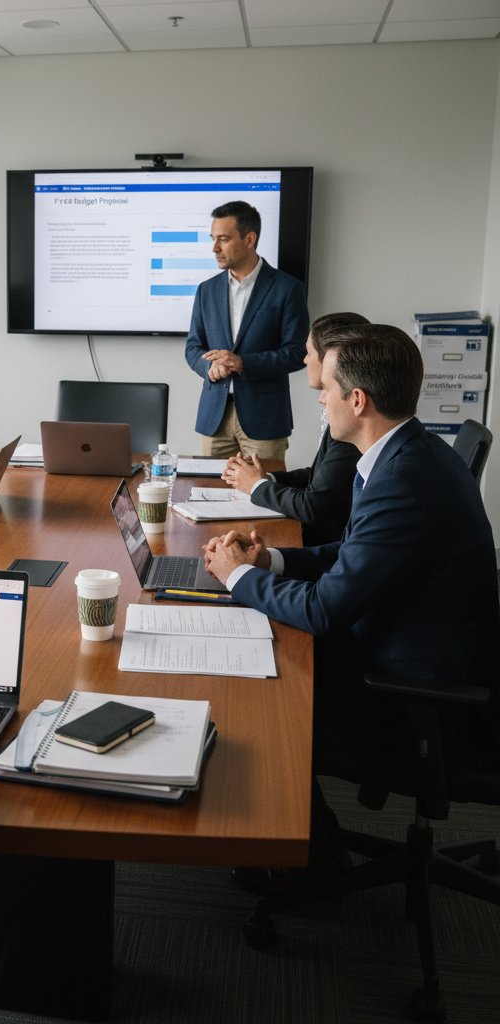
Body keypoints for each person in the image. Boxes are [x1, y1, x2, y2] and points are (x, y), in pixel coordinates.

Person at [204, 326, 498, 863]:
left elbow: (323, 610)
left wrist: (236, 577)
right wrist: (270, 561)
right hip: (409, 649)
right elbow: (351, 551)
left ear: (357, 400)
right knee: (270, 655)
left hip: (422, 701)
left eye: (328, 389)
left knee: (265, 701)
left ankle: (313, 862)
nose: (321, 399)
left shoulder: (402, 477)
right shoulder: (406, 452)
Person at [221, 311, 369, 545]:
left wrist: (257, 486)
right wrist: (263, 477)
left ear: (330, 357)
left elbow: (314, 505)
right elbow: (319, 476)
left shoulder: (350, 419)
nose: (305, 360)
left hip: (324, 546)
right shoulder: (338, 409)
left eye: (308, 352)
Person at [184, 200, 309, 460]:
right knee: (208, 487)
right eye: (213, 239)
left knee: (263, 486)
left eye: (224, 239)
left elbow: (298, 353)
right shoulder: (206, 290)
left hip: (265, 418)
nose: (215, 248)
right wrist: (209, 366)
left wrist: (242, 363)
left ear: (249, 239)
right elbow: (193, 347)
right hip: (214, 417)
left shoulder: (287, 288)